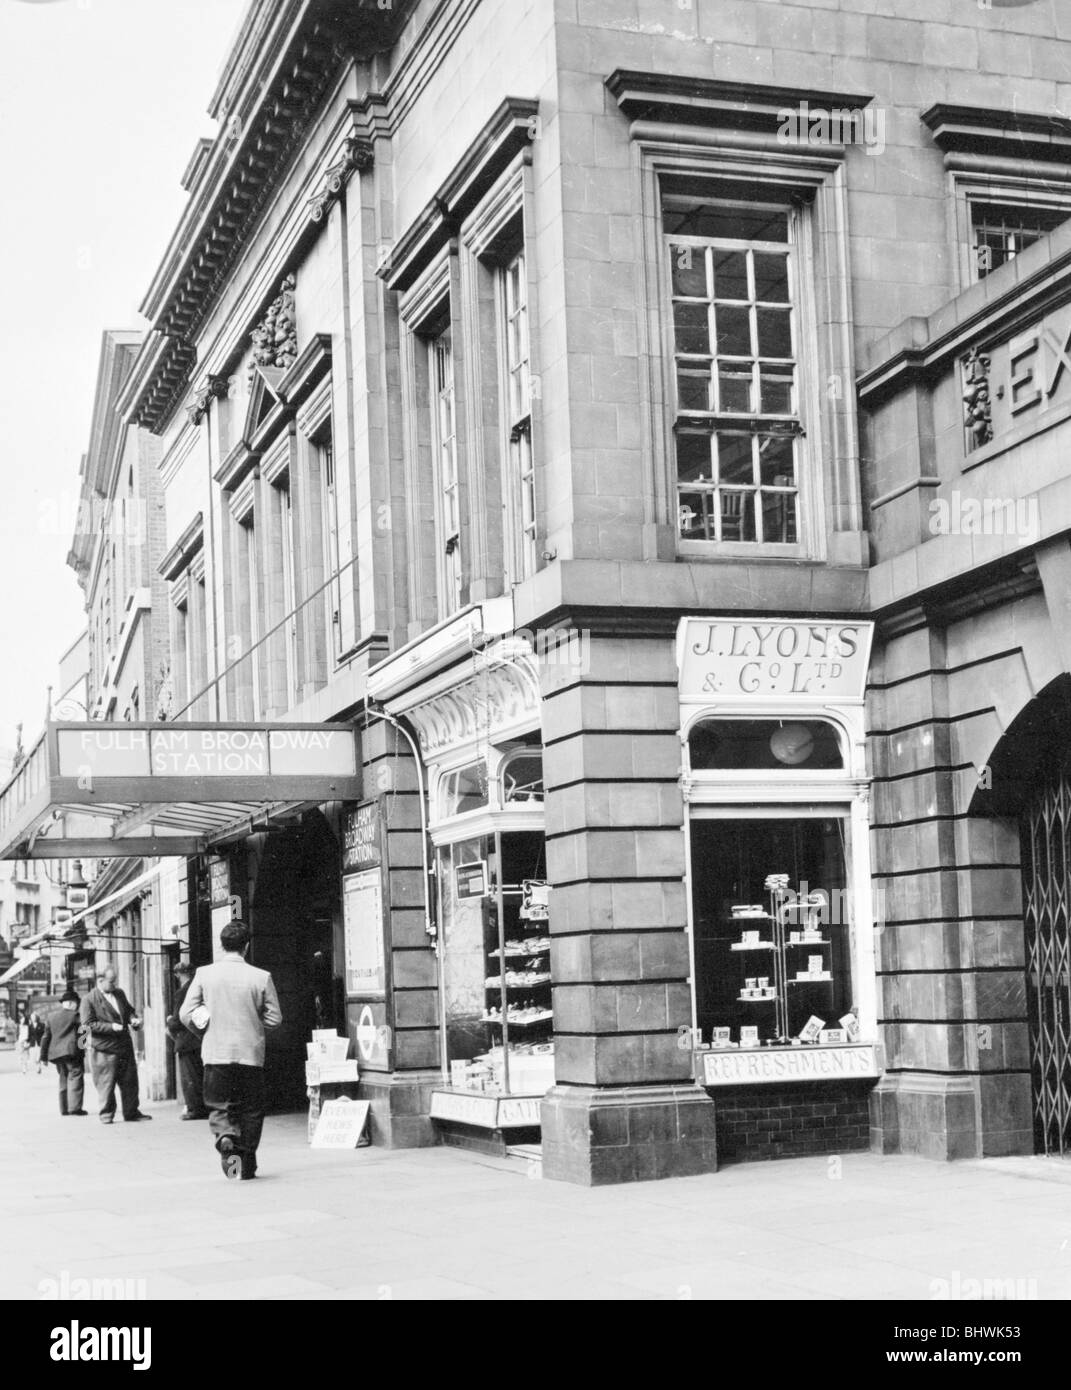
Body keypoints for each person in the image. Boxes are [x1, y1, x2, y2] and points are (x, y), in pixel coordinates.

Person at [180, 921, 281, 1180]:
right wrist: (254, 1025)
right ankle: (245, 1167)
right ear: (246, 946)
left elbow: (185, 1013)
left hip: (216, 1051)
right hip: (250, 1053)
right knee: (251, 1109)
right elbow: (275, 1019)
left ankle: (225, 1134)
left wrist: (203, 1031)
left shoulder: (204, 974)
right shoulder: (261, 977)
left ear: (221, 945)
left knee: (219, 1104)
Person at [79, 967, 152, 1124]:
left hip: (124, 1044)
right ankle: (106, 1114)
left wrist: (134, 1019)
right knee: (106, 1083)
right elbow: (87, 1025)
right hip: (104, 1048)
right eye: (111, 981)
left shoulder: (119, 993)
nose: (115, 984)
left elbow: (129, 1010)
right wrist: (111, 1027)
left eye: (115, 981)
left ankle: (131, 1112)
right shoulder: (89, 999)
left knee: (130, 1081)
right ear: (100, 980)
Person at [167, 962, 208, 1120]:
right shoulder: (200, 988)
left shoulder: (182, 992)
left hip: (186, 1040)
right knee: (201, 1075)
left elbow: (179, 1019)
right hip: (200, 1038)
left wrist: (169, 1021)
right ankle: (204, 1106)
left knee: (190, 1077)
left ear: (178, 975)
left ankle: (194, 1109)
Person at [40, 990, 87, 1116]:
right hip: (72, 1052)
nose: (77, 1005)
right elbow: (83, 1033)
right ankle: (75, 1108)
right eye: (77, 1003)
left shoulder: (51, 1017)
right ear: (72, 1003)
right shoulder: (77, 1015)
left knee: (63, 1078)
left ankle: (64, 1108)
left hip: (56, 1054)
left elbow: (45, 1038)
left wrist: (43, 1057)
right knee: (75, 1076)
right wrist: (83, 1051)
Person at [16, 1005, 31, 1074]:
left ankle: (24, 1067)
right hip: (21, 1040)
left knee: (24, 1054)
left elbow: (27, 1033)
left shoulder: (26, 1025)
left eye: (20, 1014)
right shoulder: (21, 1024)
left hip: (24, 1040)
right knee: (22, 1055)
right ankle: (24, 1067)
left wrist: (26, 1041)